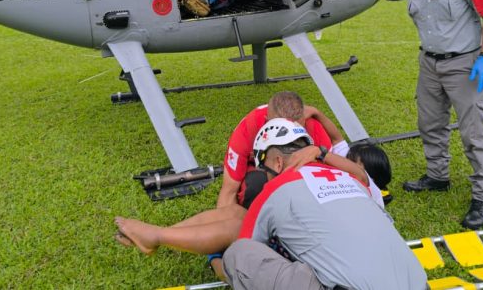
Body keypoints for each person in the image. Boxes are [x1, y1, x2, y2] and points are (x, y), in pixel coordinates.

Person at [324, 0, 483, 230]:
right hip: (429, 63)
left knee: (474, 131)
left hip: (465, 63)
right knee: (430, 123)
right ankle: (437, 176)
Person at [114, 119, 369, 259]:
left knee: (239, 227)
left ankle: (159, 237)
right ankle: (159, 234)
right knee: (236, 213)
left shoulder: (286, 187)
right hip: (341, 243)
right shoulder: (334, 171)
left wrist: (216, 259)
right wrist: (321, 152)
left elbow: (254, 232)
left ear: (278, 162)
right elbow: (362, 177)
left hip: (325, 259)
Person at [220, 119, 428, 289]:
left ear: (278, 162)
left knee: (238, 254)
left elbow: (248, 244)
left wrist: (216, 260)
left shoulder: (275, 188)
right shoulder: (351, 178)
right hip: (419, 283)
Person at [218, 91, 347, 208]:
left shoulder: (315, 128)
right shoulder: (247, 129)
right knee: (255, 185)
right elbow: (229, 191)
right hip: (260, 171)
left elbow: (331, 182)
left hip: (299, 173)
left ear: (304, 121)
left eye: (296, 136)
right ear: (267, 122)